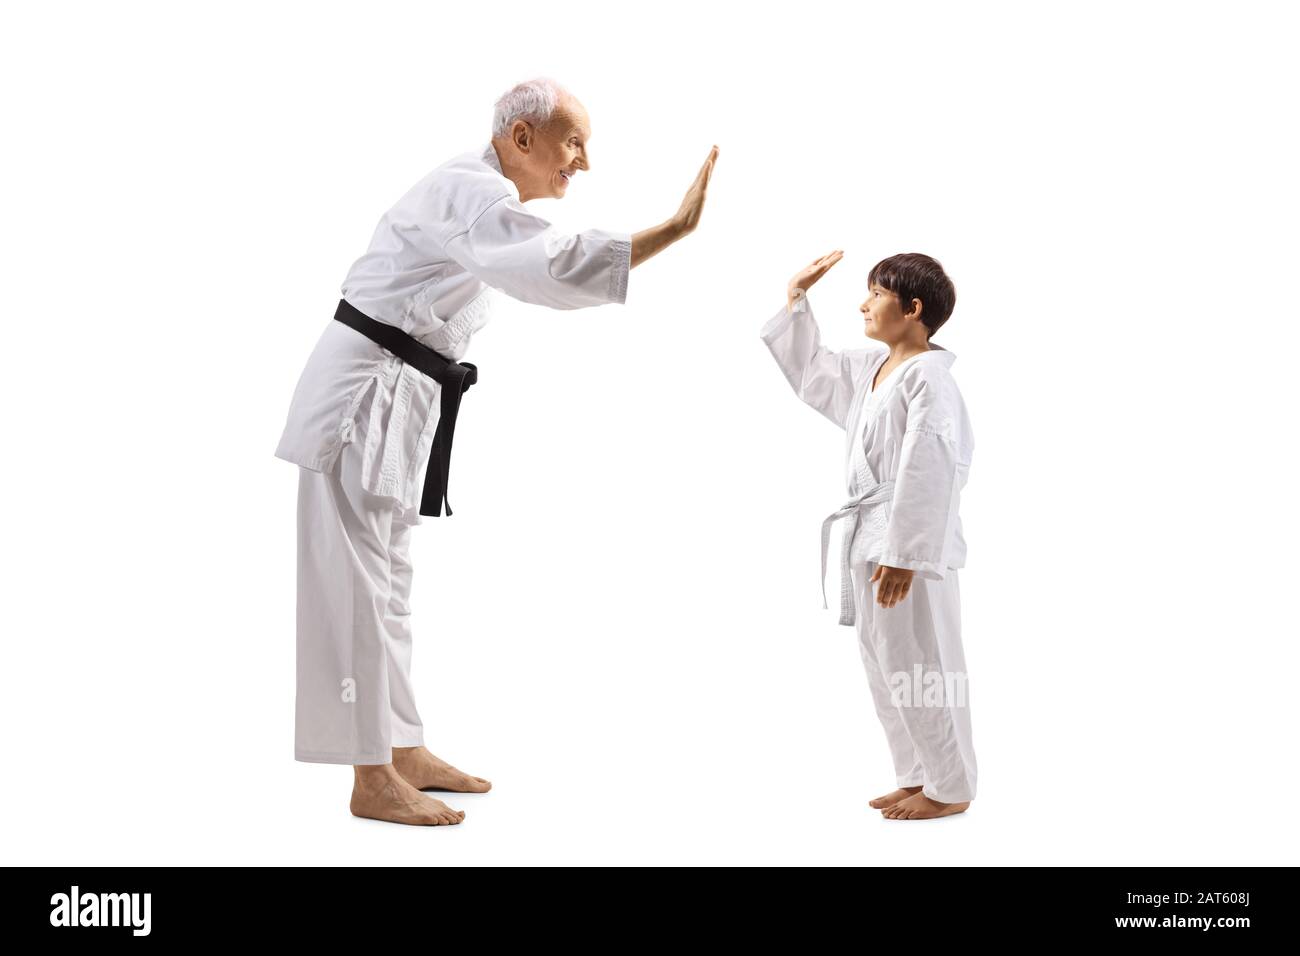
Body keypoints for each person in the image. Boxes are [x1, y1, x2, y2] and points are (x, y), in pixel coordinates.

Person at [274, 77, 718, 826]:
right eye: (572, 142)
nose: (581, 162)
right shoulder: (470, 191)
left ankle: (402, 745)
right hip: (360, 401)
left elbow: (533, 261)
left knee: (388, 587)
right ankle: (369, 776)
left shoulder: (481, 199)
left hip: (395, 398)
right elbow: (552, 266)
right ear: (521, 138)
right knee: (354, 590)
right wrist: (674, 228)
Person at [759, 250, 977, 820]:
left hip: (907, 544)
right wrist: (796, 297)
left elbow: (932, 464)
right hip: (868, 535)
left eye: (876, 293)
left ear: (912, 308)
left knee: (923, 667)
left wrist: (906, 554)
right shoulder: (875, 370)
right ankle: (917, 774)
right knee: (884, 663)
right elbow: (814, 372)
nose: (864, 302)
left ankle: (950, 785)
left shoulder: (930, 379)